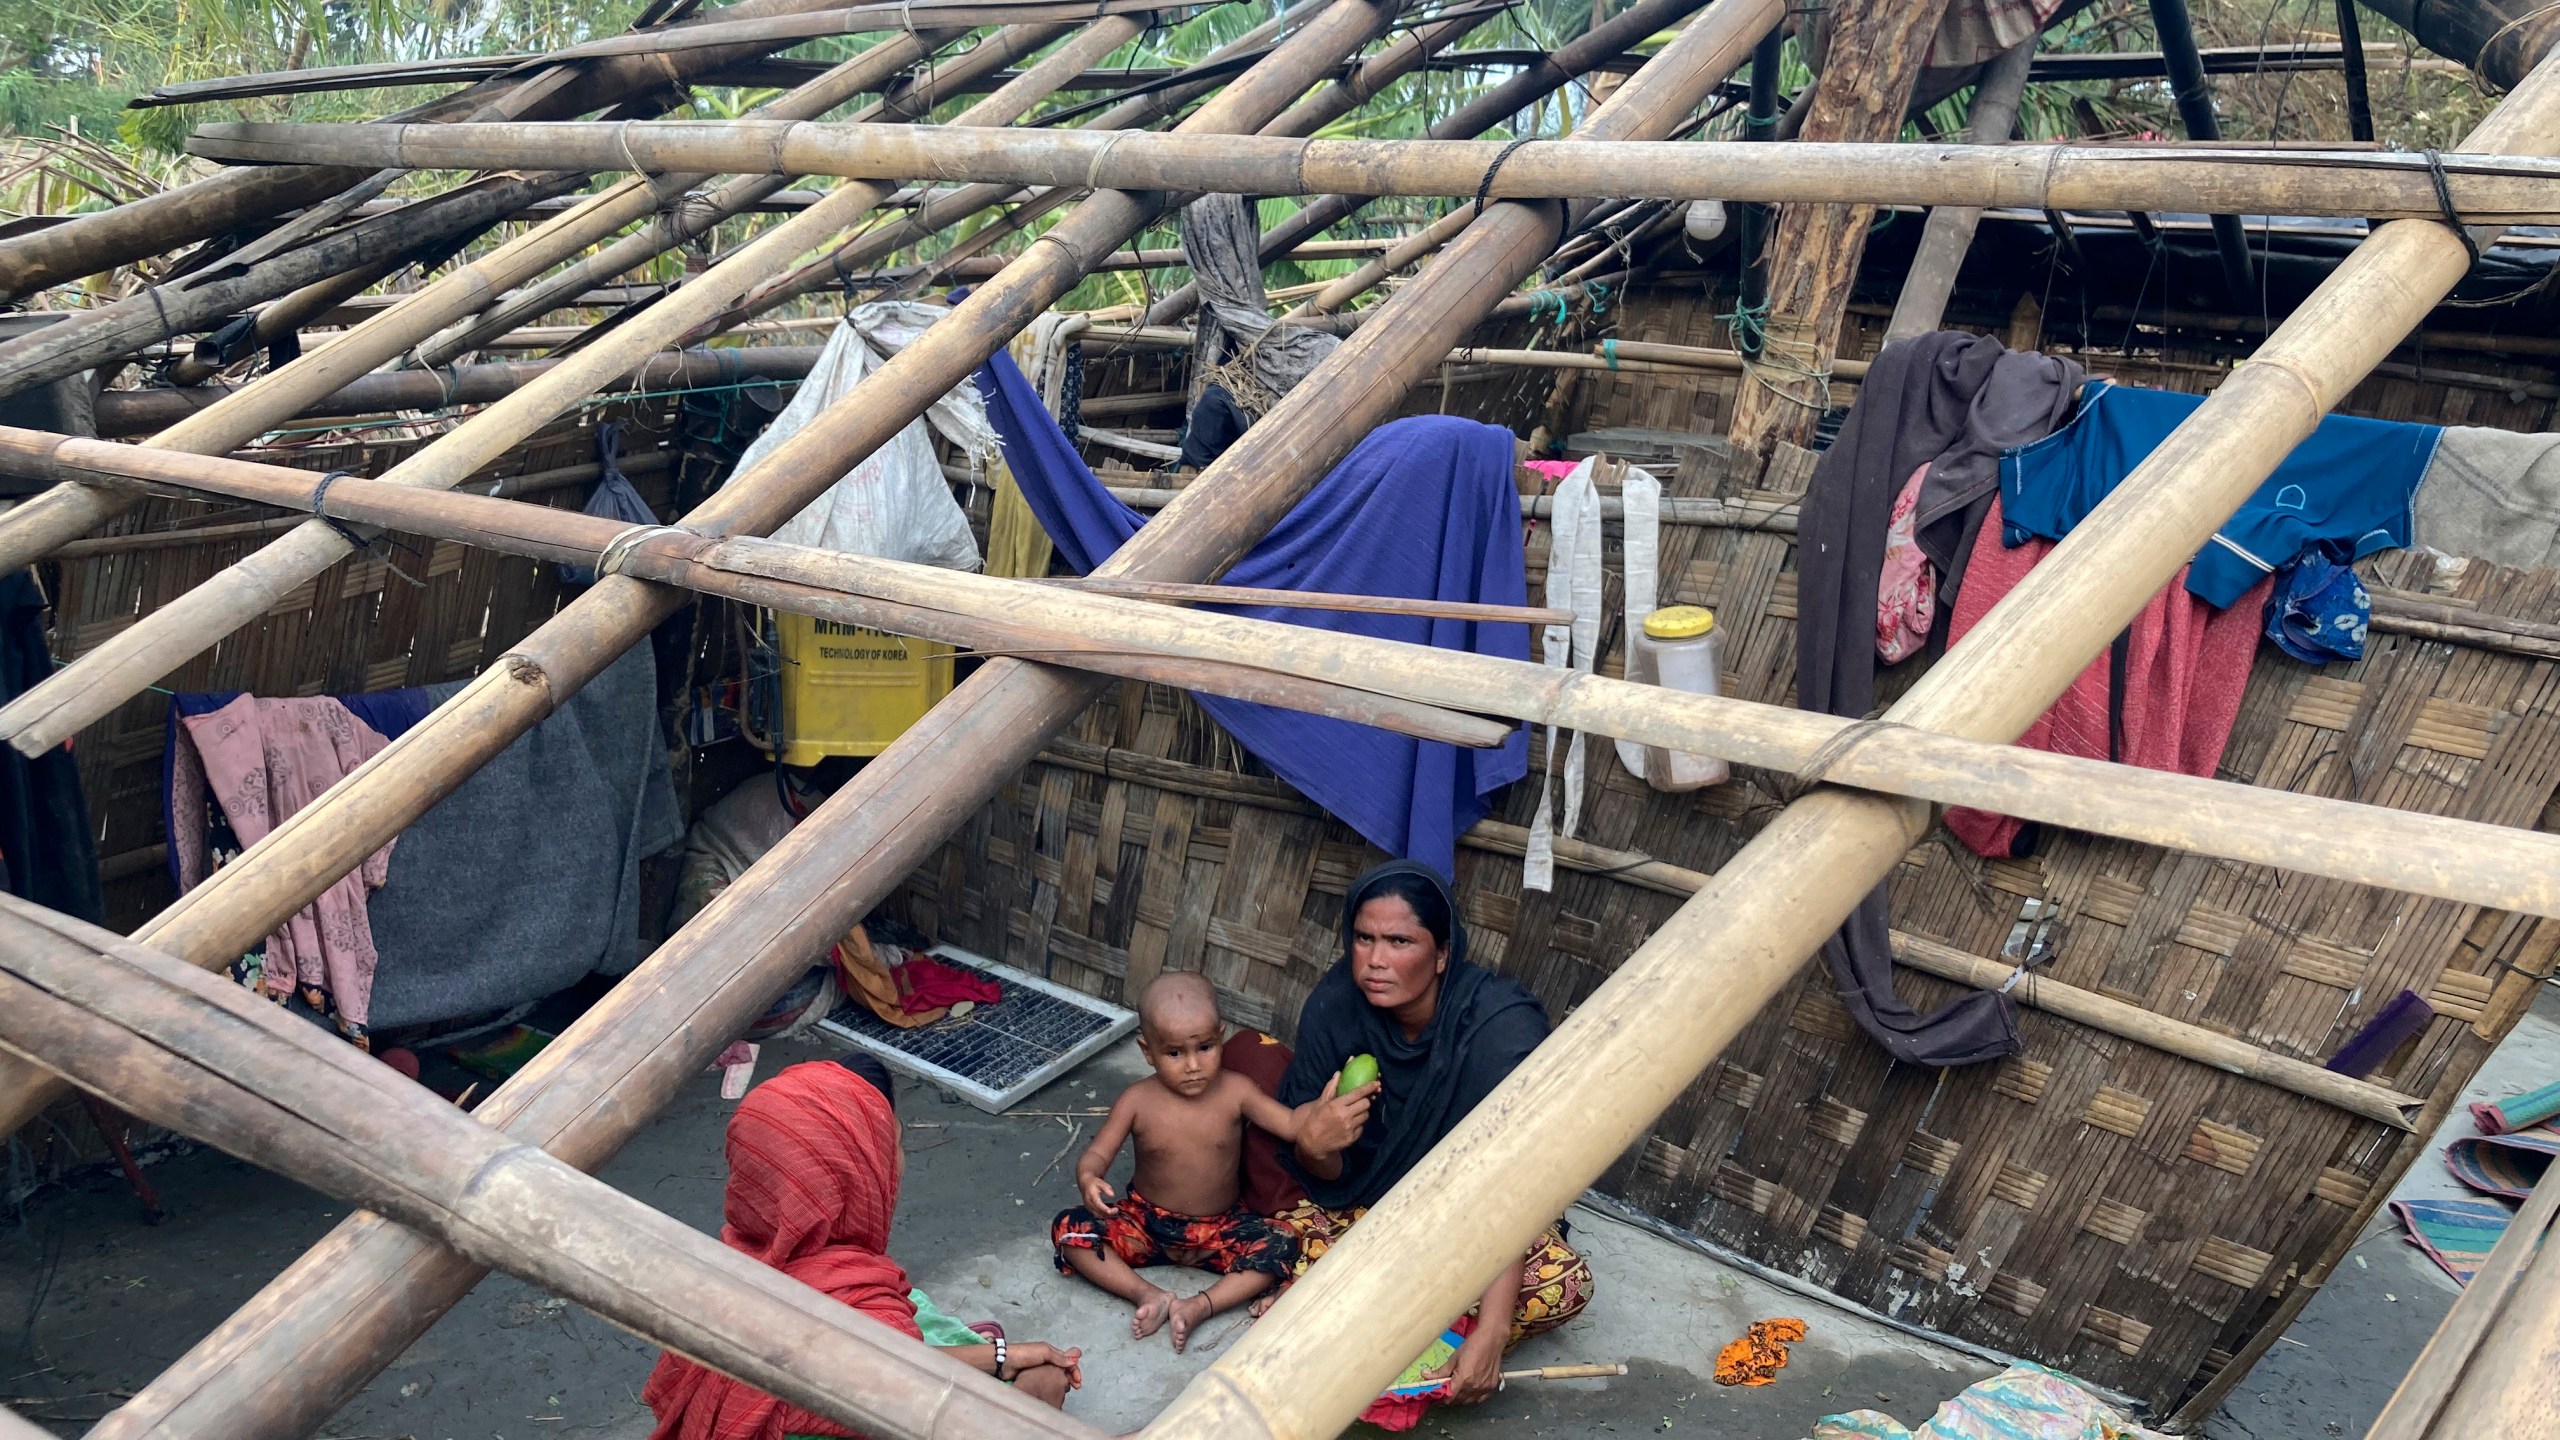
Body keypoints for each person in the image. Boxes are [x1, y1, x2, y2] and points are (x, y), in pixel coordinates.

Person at [1274, 860, 1595, 1404]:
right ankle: (1417, 1327)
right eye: (1363, 938)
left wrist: (1493, 1328)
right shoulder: (1334, 1009)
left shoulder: (1499, 1027)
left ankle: (1451, 1340)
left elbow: (1518, 1180)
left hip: (1479, 1220)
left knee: (1561, 1285)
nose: (1375, 960)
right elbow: (1327, 1178)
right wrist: (1315, 1144)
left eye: (1400, 941)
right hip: (1367, 1211)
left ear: (1443, 953)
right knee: (1276, 1241)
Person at [644, 1055, 1083, 1439]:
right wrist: (1018, 1369)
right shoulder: (868, 1316)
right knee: (1043, 1384)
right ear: (854, 1178)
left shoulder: (719, 1268)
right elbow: (907, 1386)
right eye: (892, 1146)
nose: (901, 1163)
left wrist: (1006, 1356)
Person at [1052, 973, 1310, 1351]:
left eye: (1204, 1047)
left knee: (1284, 1242)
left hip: (1222, 1229)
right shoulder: (1137, 1100)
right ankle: (1146, 1294)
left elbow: (1290, 1124)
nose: (1192, 1065)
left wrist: (1323, 1113)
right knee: (1069, 1227)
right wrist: (1089, 1177)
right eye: (1174, 1053)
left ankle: (1200, 1306)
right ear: (1147, 1052)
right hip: (1145, 1224)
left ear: (1221, 1037)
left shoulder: (1237, 1090)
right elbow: (1098, 1153)